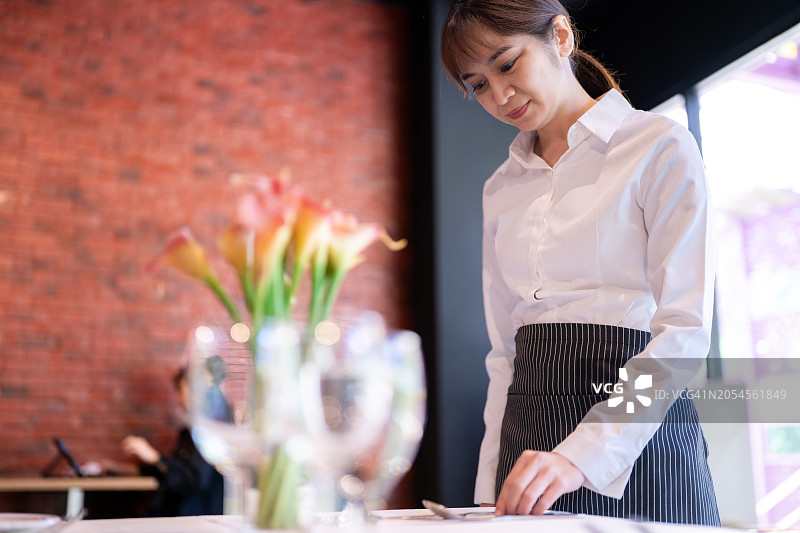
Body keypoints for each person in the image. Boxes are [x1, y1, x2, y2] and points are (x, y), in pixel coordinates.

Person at [440, 0, 720, 525]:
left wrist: (583, 454)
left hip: (640, 443)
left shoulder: (658, 147)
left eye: (506, 64)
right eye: (476, 84)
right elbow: (504, 355)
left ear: (561, 36)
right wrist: (488, 485)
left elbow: (684, 333)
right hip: (525, 443)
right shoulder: (500, 188)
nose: (499, 95)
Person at [98, 366, 227, 517]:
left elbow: (192, 480)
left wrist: (154, 457)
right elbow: (168, 470)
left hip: (195, 522)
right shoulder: (188, 433)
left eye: (181, 390)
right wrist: (121, 469)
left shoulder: (210, 430)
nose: (179, 399)